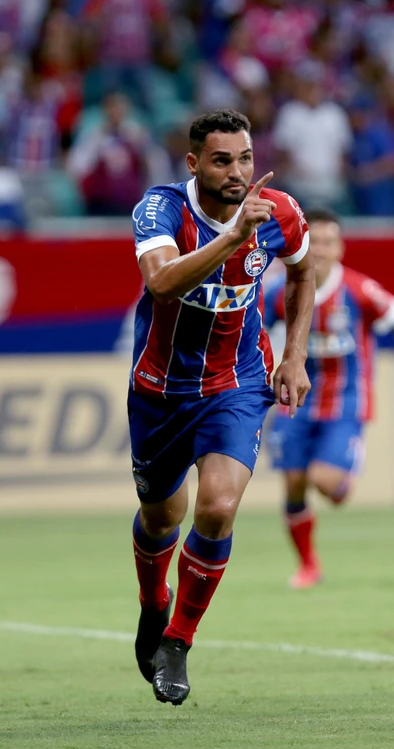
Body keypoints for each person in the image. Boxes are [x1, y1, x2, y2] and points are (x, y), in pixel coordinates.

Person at [128, 109, 315, 705]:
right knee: (162, 517)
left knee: (217, 505)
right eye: (222, 160)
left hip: (237, 383)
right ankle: (154, 603)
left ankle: (179, 641)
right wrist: (233, 236)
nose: (238, 173)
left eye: (245, 159)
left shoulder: (278, 211)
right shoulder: (160, 209)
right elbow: (161, 284)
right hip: (159, 390)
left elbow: (305, 272)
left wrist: (294, 356)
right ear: (193, 163)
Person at [264, 208, 394, 588]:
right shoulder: (279, 290)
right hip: (294, 402)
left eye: (328, 243)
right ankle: (308, 565)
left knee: (323, 482)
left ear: (340, 249)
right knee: (292, 484)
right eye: (315, 242)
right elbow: (251, 329)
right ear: (301, 245)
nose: (320, 250)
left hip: (345, 400)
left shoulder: (357, 289)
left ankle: (339, 473)